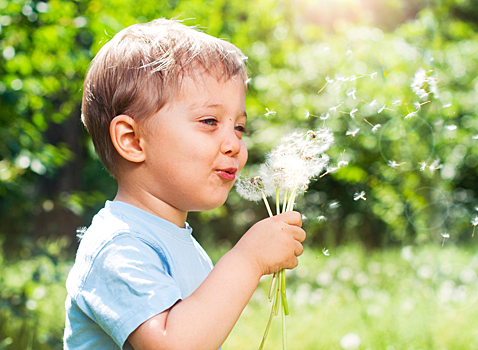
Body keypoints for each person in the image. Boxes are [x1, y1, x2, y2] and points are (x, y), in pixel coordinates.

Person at [63, 18, 305, 350]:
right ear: (133, 140)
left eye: (239, 127)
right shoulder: (116, 246)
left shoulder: (180, 243)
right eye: (210, 121)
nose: (235, 144)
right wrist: (249, 259)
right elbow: (173, 343)